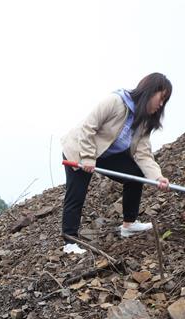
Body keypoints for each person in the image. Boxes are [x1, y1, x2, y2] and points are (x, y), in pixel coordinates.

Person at [60, 72, 172, 255]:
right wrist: (88, 158)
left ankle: (129, 224)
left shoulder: (144, 120)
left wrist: (158, 177)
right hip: (80, 149)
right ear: (150, 92)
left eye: (164, 101)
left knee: (135, 174)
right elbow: (88, 128)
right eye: (161, 98)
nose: (161, 105)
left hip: (106, 154)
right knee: (77, 194)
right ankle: (69, 241)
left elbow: (143, 153)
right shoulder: (116, 102)